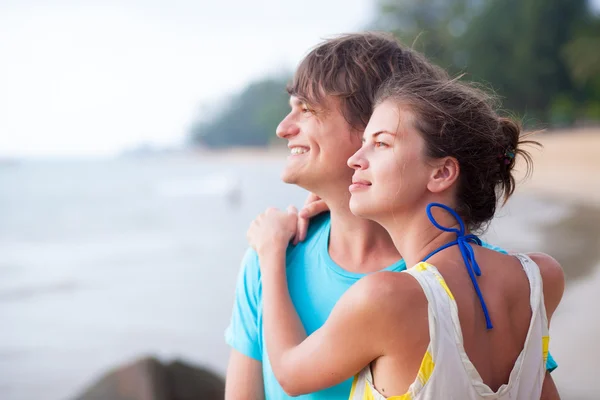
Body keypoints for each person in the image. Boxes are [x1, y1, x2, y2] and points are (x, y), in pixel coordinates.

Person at [224, 32, 558, 399]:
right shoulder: (515, 277)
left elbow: (289, 373)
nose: (283, 128)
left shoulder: (431, 286)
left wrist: (270, 250)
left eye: (307, 109)